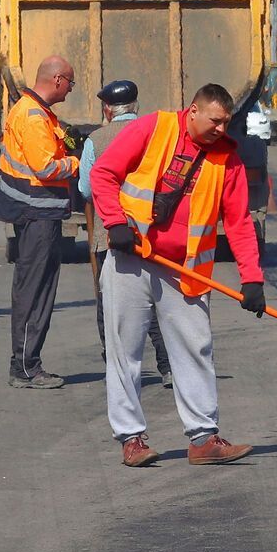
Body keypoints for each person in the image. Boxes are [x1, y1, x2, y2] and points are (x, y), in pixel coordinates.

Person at [91, 82, 264, 468]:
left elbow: (238, 223)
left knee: (195, 349)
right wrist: (116, 223)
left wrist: (252, 279)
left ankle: (204, 438)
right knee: (125, 351)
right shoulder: (154, 129)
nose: (221, 129)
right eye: (215, 121)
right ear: (193, 111)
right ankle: (131, 439)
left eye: (227, 122)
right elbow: (104, 174)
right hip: (131, 257)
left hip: (184, 271)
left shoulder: (228, 162)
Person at [79, 78, 172, 385]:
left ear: (108, 110)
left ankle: (116, 367)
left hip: (110, 234)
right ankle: (167, 366)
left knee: (110, 303)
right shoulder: (156, 135)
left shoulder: (96, 140)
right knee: (156, 300)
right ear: (136, 107)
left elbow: (86, 189)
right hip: (151, 233)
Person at [0, 54, 79, 388]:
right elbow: (46, 167)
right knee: (35, 291)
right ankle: (26, 367)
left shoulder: (37, 112)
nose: (70, 90)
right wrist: (77, 163)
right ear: (57, 80)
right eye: (70, 83)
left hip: (37, 213)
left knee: (36, 288)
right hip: (36, 213)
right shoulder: (32, 116)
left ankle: (26, 364)